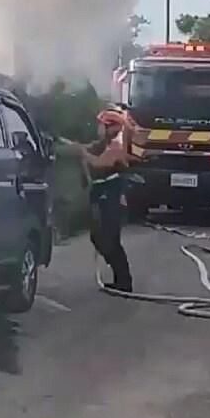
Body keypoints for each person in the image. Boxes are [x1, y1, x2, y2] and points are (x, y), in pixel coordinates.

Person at [76, 107, 134, 292]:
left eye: (101, 125)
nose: (98, 128)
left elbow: (101, 163)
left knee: (109, 239)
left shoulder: (116, 146)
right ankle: (121, 278)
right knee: (99, 237)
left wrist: (82, 154)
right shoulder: (105, 144)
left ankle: (124, 281)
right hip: (103, 197)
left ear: (111, 127)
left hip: (113, 199)